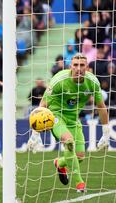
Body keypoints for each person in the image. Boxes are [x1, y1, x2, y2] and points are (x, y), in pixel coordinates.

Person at [27, 53, 111, 192]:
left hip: (73, 119)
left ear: (87, 68)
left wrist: (106, 132)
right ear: (70, 66)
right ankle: (80, 183)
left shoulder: (92, 82)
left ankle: (59, 163)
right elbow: (43, 105)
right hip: (55, 116)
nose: (78, 68)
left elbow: (101, 106)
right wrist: (35, 134)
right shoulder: (59, 80)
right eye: (75, 65)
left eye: (82, 65)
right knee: (69, 141)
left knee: (80, 157)